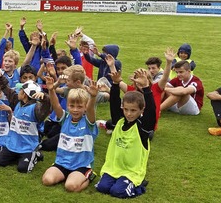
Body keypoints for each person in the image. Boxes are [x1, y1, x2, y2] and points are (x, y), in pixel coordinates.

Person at [96, 69, 155, 198]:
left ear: (141, 110)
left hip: (131, 172)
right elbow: (114, 102)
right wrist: (116, 84)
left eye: (133, 110)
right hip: (113, 168)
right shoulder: (119, 121)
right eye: (126, 109)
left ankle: (139, 184)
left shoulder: (143, 127)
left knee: (117, 191)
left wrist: (146, 88)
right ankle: (118, 180)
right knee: (102, 188)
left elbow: (151, 111)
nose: (129, 114)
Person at [42, 75, 99, 192]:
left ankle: (89, 175)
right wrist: (51, 90)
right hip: (62, 162)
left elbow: (90, 110)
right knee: (47, 180)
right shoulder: (65, 118)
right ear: (67, 106)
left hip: (81, 165)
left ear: (84, 108)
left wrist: (92, 97)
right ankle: (68, 175)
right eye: (72, 106)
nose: (75, 109)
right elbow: (56, 105)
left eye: (79, 106)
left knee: (70, 187)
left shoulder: (89, 122)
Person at [0, 80, 51, 173]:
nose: (17, 91)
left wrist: (45, 98)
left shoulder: (36, 108)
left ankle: (35, 154)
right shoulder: (17, 101)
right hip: (13, 144)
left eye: (20, 90)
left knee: (23, 169)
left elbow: (47, 107)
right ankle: (18, 156)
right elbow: (8, 91)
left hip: (28, 146)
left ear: (24, 94)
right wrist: (0, 76)